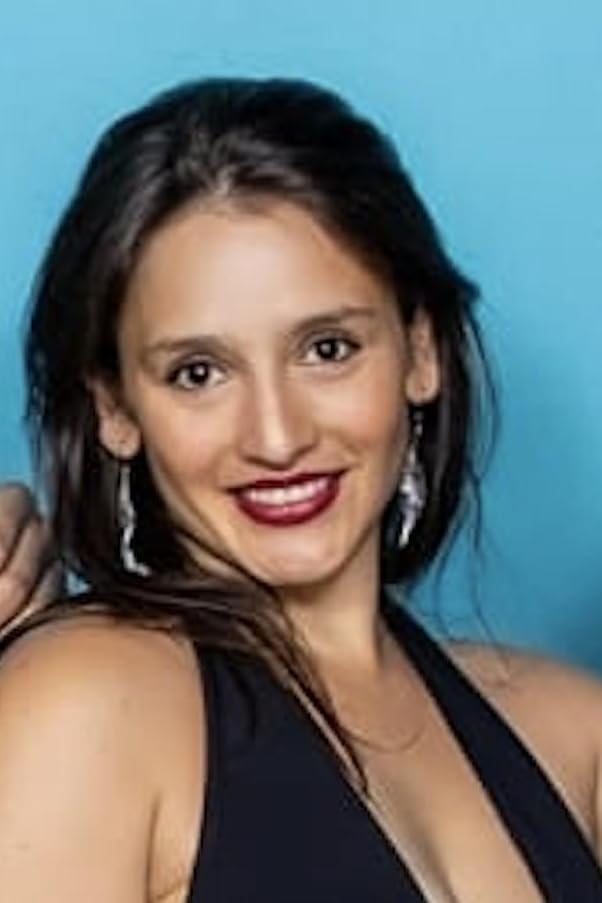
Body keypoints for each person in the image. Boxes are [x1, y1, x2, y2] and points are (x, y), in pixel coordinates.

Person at [1, 77, 602, 903]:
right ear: (116, 408)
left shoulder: (569, 734)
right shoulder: (87, 702)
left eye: (327, 349)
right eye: (199, 372)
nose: (277, 437)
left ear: (421, 351)